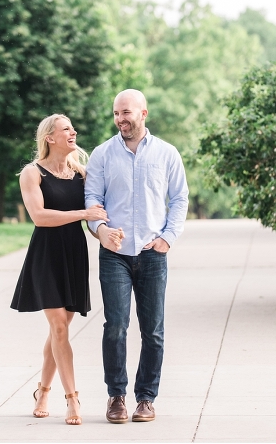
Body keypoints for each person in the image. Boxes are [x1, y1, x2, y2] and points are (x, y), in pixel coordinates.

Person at [85, 89, 189, 424]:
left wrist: (167, 239)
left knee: (153, 331)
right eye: (116, 113)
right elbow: (92, 201)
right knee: (115, 326)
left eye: (126, 112)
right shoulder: (102, 155)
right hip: (113, 255)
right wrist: (101, 231)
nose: (120, 119)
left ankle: (146, 399)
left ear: (143, 113)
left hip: (151, 254)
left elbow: (180, 198)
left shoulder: (166, 154)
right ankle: (116, 397)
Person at [10, 114, 122, 426]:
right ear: (50, 137)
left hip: (74, 254)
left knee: (59, 329)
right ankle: (72, 398)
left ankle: (42, 390)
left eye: (73, 128)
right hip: (46, 254)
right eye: (66, 129)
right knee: (59, 327)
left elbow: (95, 215)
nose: (73, 132)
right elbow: (39, 216)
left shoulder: (81, 173)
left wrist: (107, 230)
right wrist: (83, 212)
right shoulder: (32, 174)